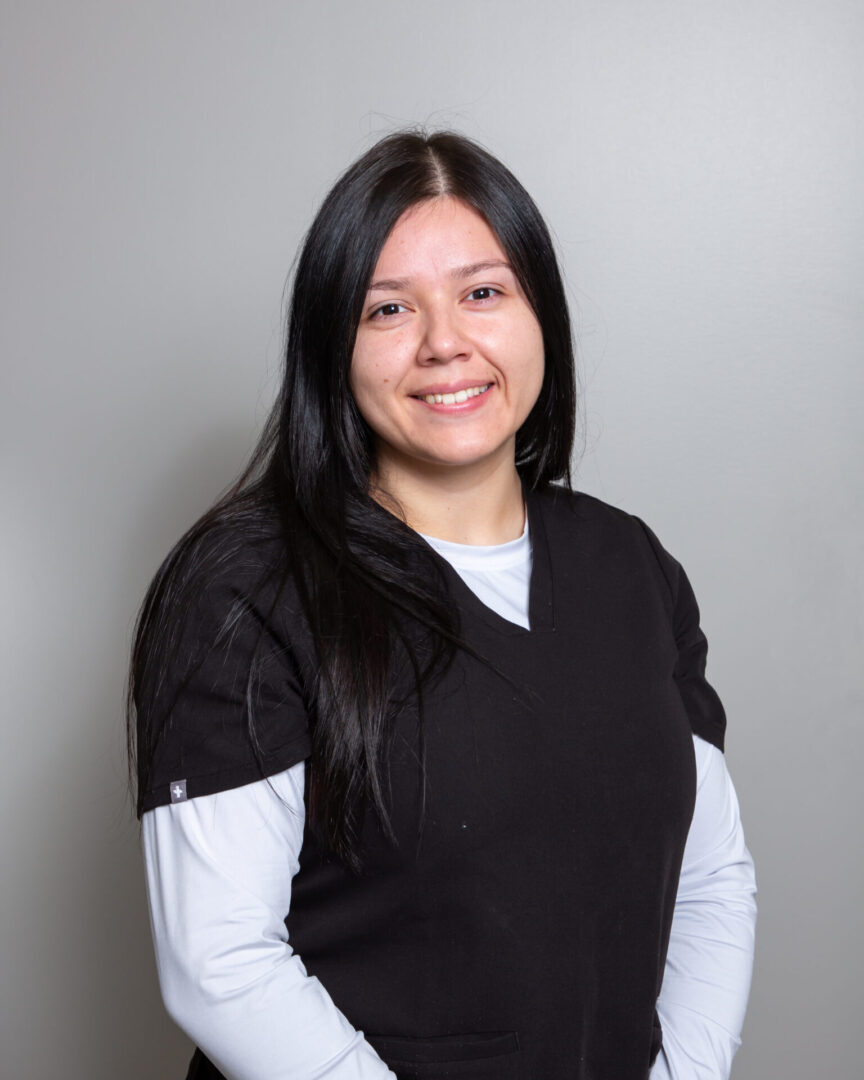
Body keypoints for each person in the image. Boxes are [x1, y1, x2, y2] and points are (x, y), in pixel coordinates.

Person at [129, 130, 757, 1080]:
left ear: (539, 311)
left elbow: (711, 885)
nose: (444, 343)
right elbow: (219, 964)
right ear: (331, 345)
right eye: (388, 308)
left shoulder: (631, 566)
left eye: (483, 292)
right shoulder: (245, 587)